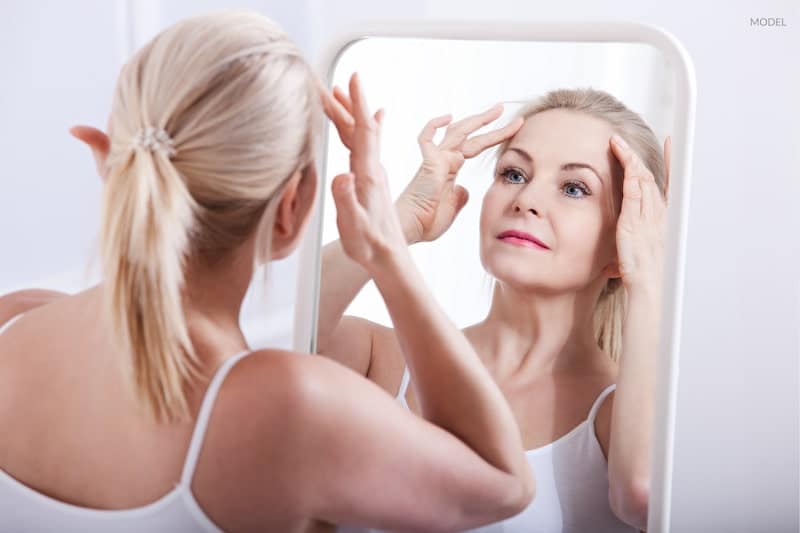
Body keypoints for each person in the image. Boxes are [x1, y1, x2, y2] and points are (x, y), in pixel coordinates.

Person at [0, 10, 536, 532]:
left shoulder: (14, 318)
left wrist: (398, 223)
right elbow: (504, 485)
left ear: (102, 157)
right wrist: (386, 251)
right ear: (294, 207)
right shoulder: (288, 406)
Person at [319, 85, 671, 532]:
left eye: (574, 187)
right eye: (514, 174)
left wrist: (652, 277)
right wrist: (393, 225)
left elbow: (642, 497)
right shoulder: (381, 359)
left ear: (625, 240)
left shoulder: (618, 418)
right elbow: (257, 347)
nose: (526, 201)